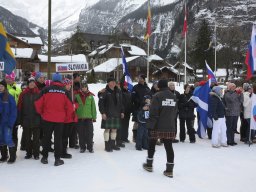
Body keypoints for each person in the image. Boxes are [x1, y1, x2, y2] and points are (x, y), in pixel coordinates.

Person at [35, 73, 74, 166]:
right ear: (60, 80)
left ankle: (44, 158)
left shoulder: (45, 89)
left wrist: (42, 113)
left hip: (47, 118)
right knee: (58, 139)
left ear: (52, 80)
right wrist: (66, 117)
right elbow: (70, 107)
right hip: (60, 120)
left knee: (46, 138)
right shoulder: (64, 91)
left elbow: (37, 103)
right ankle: (57, 159)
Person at [143, 79, 178, 178]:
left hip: (157, 125)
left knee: (152, 144)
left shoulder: (157, 96)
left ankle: (149, 165)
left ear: (159, 86)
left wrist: (150, 126)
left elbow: (153, 112)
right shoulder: (173, 96)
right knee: (168, 147)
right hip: (170, 125)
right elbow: (175, 112)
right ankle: (169, 170)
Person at [98, 77, 124, 152]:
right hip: (108, 114)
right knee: (107, 130)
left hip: (116, 113)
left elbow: (121, 103)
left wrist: (122, 111)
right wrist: (103, 113)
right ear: (108, 83)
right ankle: (107, 146)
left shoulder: (118, 91)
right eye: (112, 81)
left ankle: (113, 144)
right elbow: (101, 104)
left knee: (114, 130)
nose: (113, 83)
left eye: (114, 81)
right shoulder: (104, 92)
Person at [17, 77, 41, 159]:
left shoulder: (39, 93)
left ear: (35, 84)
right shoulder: (23, 94)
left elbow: (42, 107)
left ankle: (36, 154)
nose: (32, 84)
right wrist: (19, 120)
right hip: (26, 119)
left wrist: (41, 119)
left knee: (36, 139)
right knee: (27, 138)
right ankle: (29, 153)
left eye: (33, 82)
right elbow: (19, 107)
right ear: (28, 84)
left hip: (37, 119)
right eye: (30, 82)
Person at [75, 81, 96, 153]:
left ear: (87, 87)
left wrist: (94, 116)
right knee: (81, 133)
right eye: (82, 87)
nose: (84, 88)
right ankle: (82, 147)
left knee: (89, 133)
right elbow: (75, 107)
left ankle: (90, 147)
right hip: (80, 118)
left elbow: (93, 107)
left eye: (85, 87)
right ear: (81, 88)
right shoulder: (77, 96)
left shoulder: (90, 96)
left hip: (88, 118)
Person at [0, 80, 17, 164]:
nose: (0, 87)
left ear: (5, 87)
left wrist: (11, 122)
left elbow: (14, 111)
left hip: (7, 123)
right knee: (1, 139)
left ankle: (13, 157)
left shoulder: (9, 97)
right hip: (0, 123)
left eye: (2, 86)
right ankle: (4, 156)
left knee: (8, 139)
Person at [131, 74, 150, 142]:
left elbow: (149, 96)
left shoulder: (147, 88)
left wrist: (148, 103)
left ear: (144, 79)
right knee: (136, 122)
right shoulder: (135, 87)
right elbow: (133, 97)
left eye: (141, 78)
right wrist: (140, 102)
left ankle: (143, 137)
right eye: (139, 78)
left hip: (146, 108)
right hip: (137, 107)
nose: (140, 79)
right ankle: (135, 137)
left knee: (145, 123)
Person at [5, 72, 21, 152]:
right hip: (4, 115)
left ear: (13, 79)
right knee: (4, 133)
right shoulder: (3, 88)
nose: (8, 80)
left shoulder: (17, 89)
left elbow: (20, 102)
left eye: (10, 78)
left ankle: (13, 153)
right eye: (7, 78)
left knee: (14, 134)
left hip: (14, 115)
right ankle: (4, 153)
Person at [62, 78, 77, 158]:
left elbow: (76, 103)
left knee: (67, 135)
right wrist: (71, 107)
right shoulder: (63, 93)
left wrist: (75, 106)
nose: (69, 86)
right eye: (67, 85)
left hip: (71, 117)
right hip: (65, 119)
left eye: (70, 85)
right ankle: (63, 151)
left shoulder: (71, 93)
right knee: (64, 136)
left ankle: (64, 150)